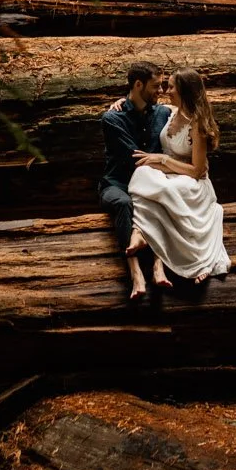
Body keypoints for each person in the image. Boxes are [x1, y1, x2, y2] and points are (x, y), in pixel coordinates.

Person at [125, 68, 230, 290]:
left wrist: (163, 160)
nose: (166, 90)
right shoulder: (171, 111)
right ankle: (141, 232)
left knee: (165, 190)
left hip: (190, 182)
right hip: (167, 175)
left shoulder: (197, 125)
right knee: (142, 174)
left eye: (171, 87)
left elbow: (197, 171)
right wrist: (119, 102)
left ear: (185, 91)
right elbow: (138, 102)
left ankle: (186, 258)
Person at [100, 61, 171, 301]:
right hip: (117, 184)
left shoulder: (164, 113)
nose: (160, 92)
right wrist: (161, 161)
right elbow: (134, 159)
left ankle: (158, 266)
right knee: (123, 204)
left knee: (163, 194)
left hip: (152, 184)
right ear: (138, 84)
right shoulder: (113, 118)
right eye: (155, 86)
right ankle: (135, 272)